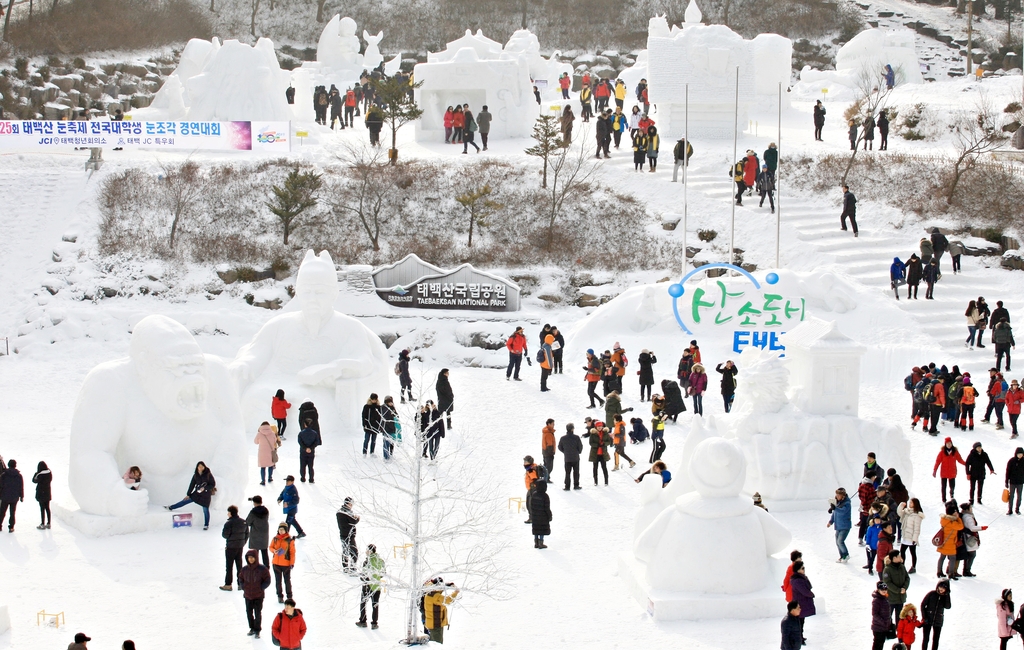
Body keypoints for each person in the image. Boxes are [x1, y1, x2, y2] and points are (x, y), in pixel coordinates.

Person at [165, 461, 215, 530]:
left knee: (205, 510)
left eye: (202, 466)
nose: (200, 468)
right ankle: (171, 507)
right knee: (185, 501)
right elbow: (192, 485)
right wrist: (188, 494)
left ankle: (206, 525)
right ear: (197, 467)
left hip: (206, 495)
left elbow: (212, 484)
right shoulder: (195, 475)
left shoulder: (208, 474)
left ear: (204, 467)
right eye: (199, 466)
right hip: (197, 493)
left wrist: (205, 488)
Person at [238, 549, 272, 638]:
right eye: (249, 558)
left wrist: (261, 588)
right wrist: (243, 587)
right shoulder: (244, 569)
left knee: (257, 613)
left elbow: (267, 580)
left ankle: (257, 630)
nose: (251, 559)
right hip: (247, 595)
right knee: (249, 613)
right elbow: (240, 578)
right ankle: (252, 628)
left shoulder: (262, 569)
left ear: (256, 558)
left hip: (258, 596)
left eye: (252, 557)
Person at [220, 505, 249, 591]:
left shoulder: (229, 523)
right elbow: (247, 534)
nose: (227, 514)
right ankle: (240, 583)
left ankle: (228, 584)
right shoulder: (244, 522)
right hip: (240, 547)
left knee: (229, 566)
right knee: (239, 565)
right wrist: (243, 543)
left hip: (230, 547)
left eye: (228, 512)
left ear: (231, 513)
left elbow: (224, 535)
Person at [356, 544, 385, 628]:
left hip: (367, 586)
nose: (365, 552)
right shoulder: (381, 561)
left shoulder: (367, 562)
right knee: (375, 605)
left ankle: (363, 621)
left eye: (367, 550)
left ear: (370, 551)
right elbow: (383, 574)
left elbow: (364, 575)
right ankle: (374, 623)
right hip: (377, 586)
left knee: (363, 603)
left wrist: (364, 579)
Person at [423, 578, 460, 643]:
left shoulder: (429, 592)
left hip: (431, 623)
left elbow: (438, 589)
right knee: (437, 644)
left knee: (433, 643)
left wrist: (448, 585)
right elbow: (448, 600)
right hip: (436, 624)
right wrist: (455, 593)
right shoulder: (435, 596)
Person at [920, 579, 951, 650]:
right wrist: (924, 617)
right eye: (940, 587)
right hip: (928, 619)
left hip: (938, 620)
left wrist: (947, 595)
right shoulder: (931, 594)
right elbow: (923, 604)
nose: (941, 589)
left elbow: (948, 606)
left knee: (936, 640)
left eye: (944, 588)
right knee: (926, 639)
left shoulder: (945, 597)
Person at [936, 501, 963, 579]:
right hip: (950, 543)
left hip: (943, 542)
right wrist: (958, 519)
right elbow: (960, 527)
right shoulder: (953, 522)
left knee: (942, 557)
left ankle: (939, 571)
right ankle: (951, 574)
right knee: (952, 558)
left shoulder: (944, 520)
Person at [957, 501, 986, 577]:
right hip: (969, 537)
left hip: (966, 536)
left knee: (969, 554)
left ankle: (966, 570)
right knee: (972, 554)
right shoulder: (968, 517)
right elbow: (972, 528)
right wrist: (982, 528)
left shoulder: (964, 515)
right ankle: (967, 570)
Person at [789, 561, 815, 644]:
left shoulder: (800, 578)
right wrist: (811, 594)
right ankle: (798, 638)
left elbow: (809, 586)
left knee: (801, 622)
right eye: (802, 568)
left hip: (802, 603)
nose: (804, 570)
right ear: (797, 570)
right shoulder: (797, 581)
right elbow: (805, 591)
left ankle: (800, 637)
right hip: (800, 603)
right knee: (799, 622)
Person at [882, 550, 910, 625]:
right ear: (894, 558)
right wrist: (898, 590)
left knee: (900, 618)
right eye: (899, 556)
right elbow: (887, 583)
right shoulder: (887, 569)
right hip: (891, 598)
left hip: (901, 598)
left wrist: (904, 588)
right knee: (888, 616)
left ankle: (899, 633)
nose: (900, 557)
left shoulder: (902, 567)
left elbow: (907, 578)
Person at [933, 438, 965, 502]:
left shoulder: (955, 452)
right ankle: (943, 498)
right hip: (944, 472)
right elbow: (938, 462)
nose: (949, 445)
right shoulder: (942, 452)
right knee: (943, 486)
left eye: (950, 443)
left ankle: (952, 494)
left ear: (952, 444)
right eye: (947, 444)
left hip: (952, 472)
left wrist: (966, 464)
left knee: (952, 485)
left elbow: (960, 460)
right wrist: (935, 470)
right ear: (945, 444)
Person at [898, 497, 924, 573]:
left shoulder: (917, 515)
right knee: (902, 551)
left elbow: (917, 528)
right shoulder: (907, 512)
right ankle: (902, 566)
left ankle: (913, 567)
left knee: (912, 552)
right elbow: (900, 513)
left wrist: (915, 538)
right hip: (905, 535)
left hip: (911, 537)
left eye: (911, 503)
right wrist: (901, 506)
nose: (910, 504)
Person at [827, 487, 852, 562]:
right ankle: (842, 556)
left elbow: (842, 511)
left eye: (839, 495)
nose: (837, 496)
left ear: (843, 496)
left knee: (840, 541)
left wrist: (835, 508)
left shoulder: (847, 504)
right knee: (837, 542)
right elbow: (835, 514)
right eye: (836, 495)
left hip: (845, 526)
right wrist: (831, 522)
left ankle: (846, 555)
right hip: (838, 526)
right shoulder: (837, 503)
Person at [246, 495, 271, 566]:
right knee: (264, 552)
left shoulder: (253, 512)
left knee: (254, 553)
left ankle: (255, 567)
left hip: (255, 535)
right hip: (264, 534)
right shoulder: (266, 510)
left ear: (254, 503)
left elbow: (248, 522)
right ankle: (266, 568)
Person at [337, 496, 359, 573]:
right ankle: (352, 568)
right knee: (354, 552)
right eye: (351, 504)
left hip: (343, 535)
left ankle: (346, 568)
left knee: (345, 551)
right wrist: (357, 517)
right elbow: (354, 521)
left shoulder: (340, 512)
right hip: (348, 535)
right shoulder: (345, 513)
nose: (351, 505)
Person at [558, 423, 583, 491]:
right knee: (576, 472)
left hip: (567, 458)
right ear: (572, 429)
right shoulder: (576, 437)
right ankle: (576, 485)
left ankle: (567, 486)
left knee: (567, 472)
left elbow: (559, 447)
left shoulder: (563, 438)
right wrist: (578, 452)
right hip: (575, 457)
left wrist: (565, 452)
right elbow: (580, 447)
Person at [0, 459, 22, 533]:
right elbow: (21, 486)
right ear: (15, 465)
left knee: (2, 512)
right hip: (14, 497)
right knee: (12, 512)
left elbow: (1, 486)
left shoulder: (4, 475)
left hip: (5, 496)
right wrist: (21, 496)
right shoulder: (19, 475)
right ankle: (11, 527)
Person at [587, 421, 611, 486]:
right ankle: (595, 481)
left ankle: (606, 481)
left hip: (603, 453)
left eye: (601, 426)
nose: (600, 427)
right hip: (595, 454)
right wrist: (597, 445)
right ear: (596, 427)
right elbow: (591, 443)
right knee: (595, 468)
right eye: (598, 426)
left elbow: (609, 441)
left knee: (604, 468)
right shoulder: (593, 433)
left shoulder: (605, 433)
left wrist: (604, 444)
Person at [530, 479, 552, 549]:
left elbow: (531, 505)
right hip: (543, 516)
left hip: (535, 515)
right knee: (542, 529)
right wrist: (549, 516)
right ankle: (541, 543)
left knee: (536, 529)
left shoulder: (534, 494)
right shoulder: (545, 496)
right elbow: (547, 507)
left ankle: (536, 542)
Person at [255, 421, 278, 486]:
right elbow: (275, 441)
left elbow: (255, 442)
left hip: (262, 452)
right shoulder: (272, 433)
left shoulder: (259, 434)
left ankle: (263, 480)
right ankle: (270, 478)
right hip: (270, 451)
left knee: (263, 467)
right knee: (270, 465)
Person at [871, 582, 892, 650]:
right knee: (877, 645)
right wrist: (883, 622)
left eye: (885, 590)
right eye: (882, 590)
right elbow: (874, 614)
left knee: (881, 644)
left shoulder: (885, 599)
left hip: (884, 627)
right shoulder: (876, 600)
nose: (884, 591)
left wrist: (889, 622)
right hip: (878, 627)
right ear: (878, 590)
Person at [32, 461, 52, 530]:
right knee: (47, 508)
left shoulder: (39, 475)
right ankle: (49, 523)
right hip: (47, 492)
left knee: (42, 509)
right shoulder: (49, 473)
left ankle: (42, 523)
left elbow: (34, 481)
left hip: (41, 493)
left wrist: (36, 473)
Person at [1007, 447, 1024, 515]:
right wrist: (1006, 480)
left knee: (1019, 496)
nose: (1020, 455)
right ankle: (1010, 510)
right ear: (1016, 454)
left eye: (1021, 454)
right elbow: (1008, 471)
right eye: (1018, 454)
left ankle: (1017, 509)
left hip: (1020, 482)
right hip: (1012, 482)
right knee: (1011, 496)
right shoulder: (1011, 461)